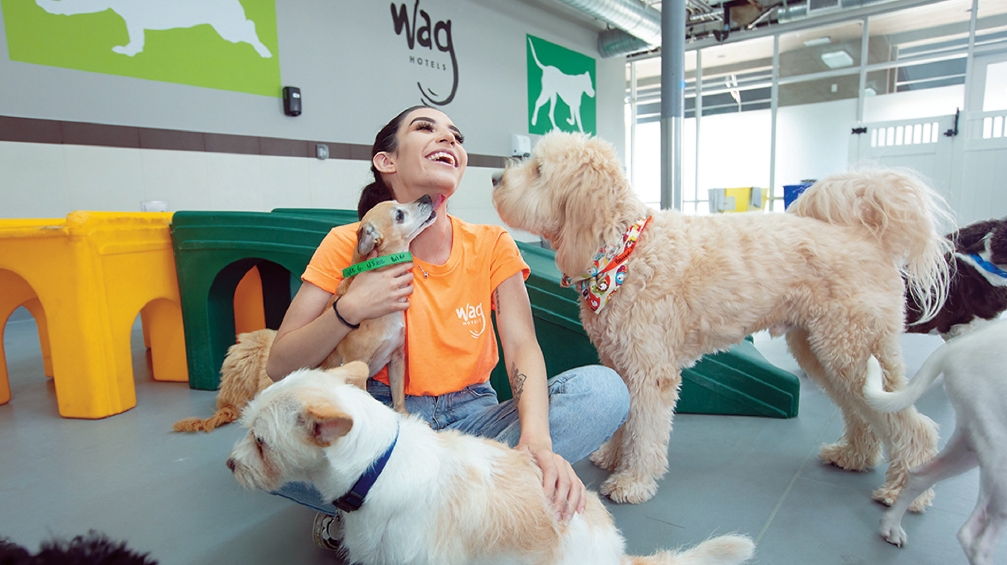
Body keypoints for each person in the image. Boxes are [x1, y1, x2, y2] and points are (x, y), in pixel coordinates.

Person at [264, 105, 630, 551]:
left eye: (456, 136)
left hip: (473, 422)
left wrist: (536, 442)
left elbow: (521, 346)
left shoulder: (491, 243)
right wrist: (350, 307)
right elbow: (281, 364)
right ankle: (445, 505)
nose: (449, 140)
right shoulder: (348, 242)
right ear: (387, 161)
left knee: (604, 389)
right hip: (385, 422)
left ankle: (386, 506)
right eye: (425, 128)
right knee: (268, 439)